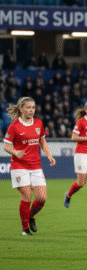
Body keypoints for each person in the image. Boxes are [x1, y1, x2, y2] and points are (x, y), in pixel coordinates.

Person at [3, 97, 56, 235]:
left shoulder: (38, 123)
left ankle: (30, 216)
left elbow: (42, 141)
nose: (31, 110)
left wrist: (49, 155)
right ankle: (25, 228)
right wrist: (15, 152)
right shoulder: (14, 126)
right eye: (28, 107)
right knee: (26, 197)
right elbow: (6, 145)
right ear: (21, 109)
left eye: (33, 107)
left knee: (42, 198)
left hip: (36, 166)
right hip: (19, 166)